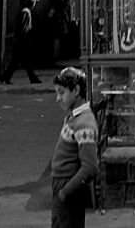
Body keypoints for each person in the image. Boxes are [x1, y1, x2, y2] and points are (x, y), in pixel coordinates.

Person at [50, 66, 99, 228]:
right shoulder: (74, 117)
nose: (58, 98)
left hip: (68, 189)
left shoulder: (83, 123)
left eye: (62, 92)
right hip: (63, 186)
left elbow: (90, 167)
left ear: (76, 90)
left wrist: (64, 192)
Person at [2, 0, 40, 85]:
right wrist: (25, 38)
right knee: (22, 62)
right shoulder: (26, 12)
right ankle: (32, 78)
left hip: (20, 41)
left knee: (18, 62)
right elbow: (23, 28)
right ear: (32, 4)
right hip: (22, 41)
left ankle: (5, 77)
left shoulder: (24, 11)